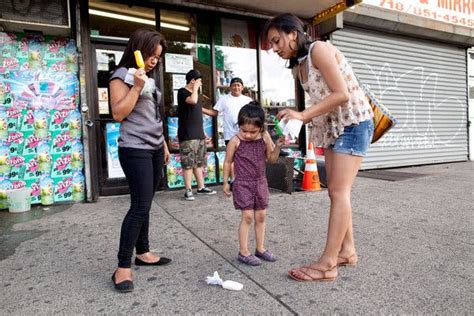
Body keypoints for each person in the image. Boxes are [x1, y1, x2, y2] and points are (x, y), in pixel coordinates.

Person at [265, 14, 374, 281]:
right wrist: (296, 117)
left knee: (338, 192)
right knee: (336, 194)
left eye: (277, 40)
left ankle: (328, 264)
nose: (275, 48)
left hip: (353, 123)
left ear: (293, 33)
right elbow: (322, 101)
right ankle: (346, 251)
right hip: (337, 126)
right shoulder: (299, 64)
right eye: (271, 44)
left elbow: (342, 94)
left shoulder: (319, 49)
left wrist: (303, 115)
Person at [109, 28, 172, 293]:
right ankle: (122, 266)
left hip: (155, 147)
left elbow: (153, 115)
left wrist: (165, 144)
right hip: (134, 149)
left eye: (157, 56)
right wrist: (136, 86)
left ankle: (143, 251)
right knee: (139, 205)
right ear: (138, 48)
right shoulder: (121, 76)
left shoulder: (150, 78)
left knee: (145, 203)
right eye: (150, 54)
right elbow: (118, 113)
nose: (154, 60)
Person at [223, 102, 284, 266]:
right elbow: (228, 162)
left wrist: (277, 146)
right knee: (248, 216)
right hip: (243, 183)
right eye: (244, 131)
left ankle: (260, 248)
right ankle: (243, 252)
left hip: (260, 182)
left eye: (252, 132)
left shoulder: (265, 137)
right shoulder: (235, 141)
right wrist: (226, 183)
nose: (248, 135)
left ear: (261, 128)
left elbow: (271, 159)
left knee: (261, 216)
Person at [202, 77, 253, 181]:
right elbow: (214, 113)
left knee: (246, 158)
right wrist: (201, 109)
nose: (236, 87)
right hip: (230, 135)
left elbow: (254, 116)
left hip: (246, 135)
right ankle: (233, 181)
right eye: (234, 85)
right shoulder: (224, 99)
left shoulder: (248, 100)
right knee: (232, 159)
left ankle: (246, 180)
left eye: (238, 85)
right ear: (230, 87)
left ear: (242, 87)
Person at [177, 69, 216, 201]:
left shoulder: (196, 95)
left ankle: (201, 187)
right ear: (192, 80)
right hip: (187, 134)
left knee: (199, 163)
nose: (201, 84)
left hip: (199, 134)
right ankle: (188, 190)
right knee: (188, 163)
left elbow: (198, 110)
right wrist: (196, 88)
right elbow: (192, 101)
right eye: (199, 81)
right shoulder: (182, 92)